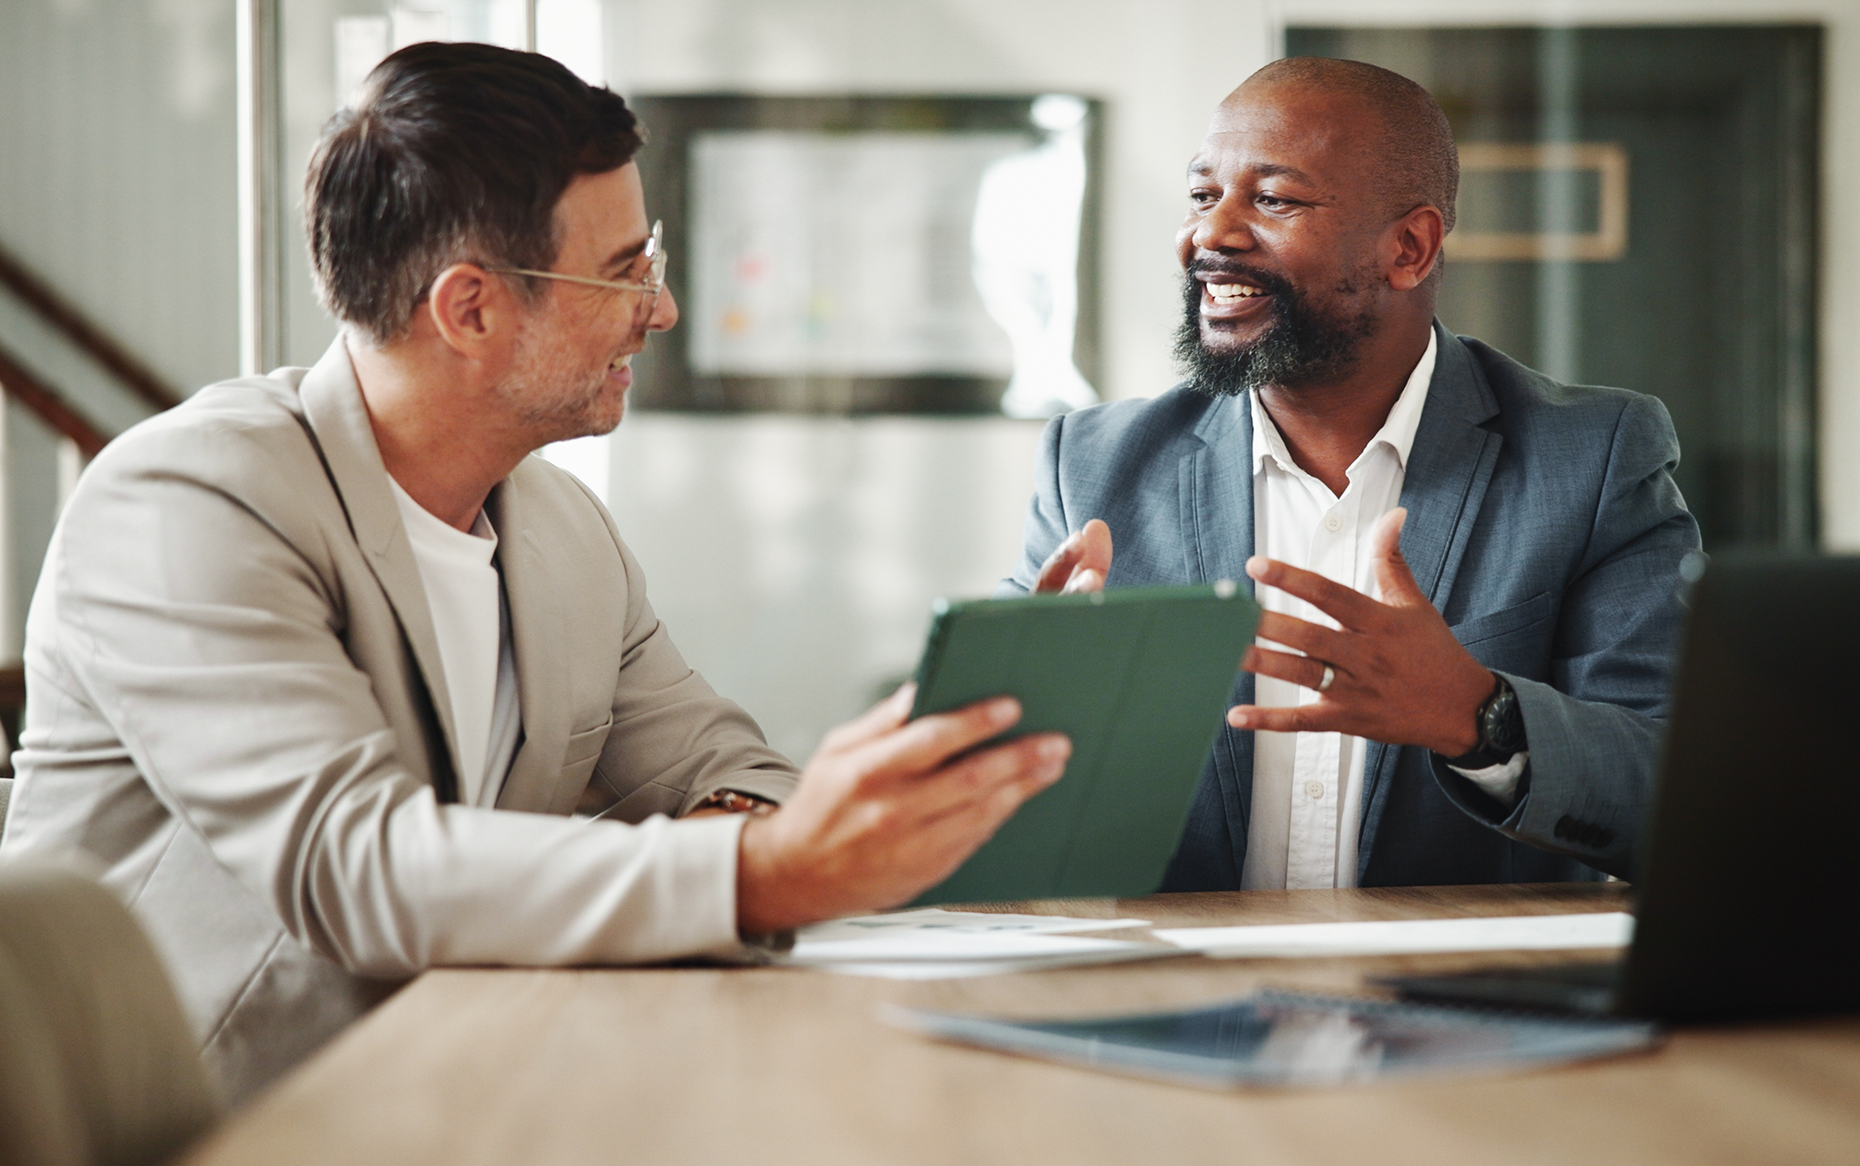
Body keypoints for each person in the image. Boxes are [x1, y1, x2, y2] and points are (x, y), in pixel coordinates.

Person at [0, 43, 1068, 1102]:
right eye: (623, 273)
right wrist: (757, 868)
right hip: (204, 1121)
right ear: (469, 309)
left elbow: (728, 764)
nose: (662, 310)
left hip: (457, 1085)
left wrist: (769, 823)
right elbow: (354, 863)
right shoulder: (188, 499)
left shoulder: (561, 528)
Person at [1006, 57, 1698, 892]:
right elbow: (972, 800)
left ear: (1409, 248)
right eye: (1202, 195)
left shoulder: (1591, 457)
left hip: (1464, 1004)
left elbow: (1678, 790)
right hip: (1175, 1000)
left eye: (1272, 199)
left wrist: (1476, 716)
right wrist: (1014, 729)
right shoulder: (1092, 468)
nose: (1212, 234)